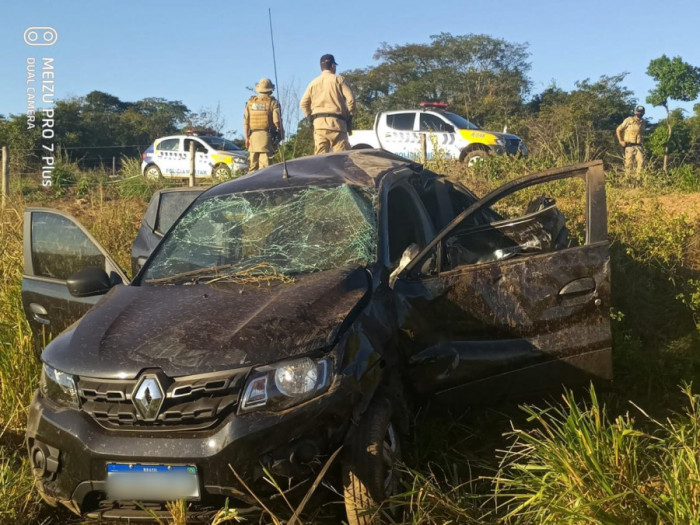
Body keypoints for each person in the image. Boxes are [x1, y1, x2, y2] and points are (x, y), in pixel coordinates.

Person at [300, 54, 355, 155]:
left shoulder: (313, 83)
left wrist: (311, 116)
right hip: (337, 123)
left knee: (320, 159)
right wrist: (349, 115)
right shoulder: (339, 79)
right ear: (333, 66)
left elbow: (303, 104)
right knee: (342, 158)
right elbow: (351, 100)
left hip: (319, 124)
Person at [243, 78, 284, 172]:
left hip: (252, 137)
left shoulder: (250, 103)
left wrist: (247, 138)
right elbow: (276, 121)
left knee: (252, 168)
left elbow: (246, 122)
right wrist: (281, 131)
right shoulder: (273, 102)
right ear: (270, 90)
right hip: (266, 137)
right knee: (265, 169)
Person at [616, 105, 646, 177]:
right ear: (635, 112)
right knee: (629, 164)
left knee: (641, 163)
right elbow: (618, 129)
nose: (640, 113)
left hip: (639, 146)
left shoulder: (643, 122)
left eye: (641, 112)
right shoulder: (629, 120)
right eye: (638, 111)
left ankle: (639, 181)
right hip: (629, 146)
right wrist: (621, 141)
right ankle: (628, 181)